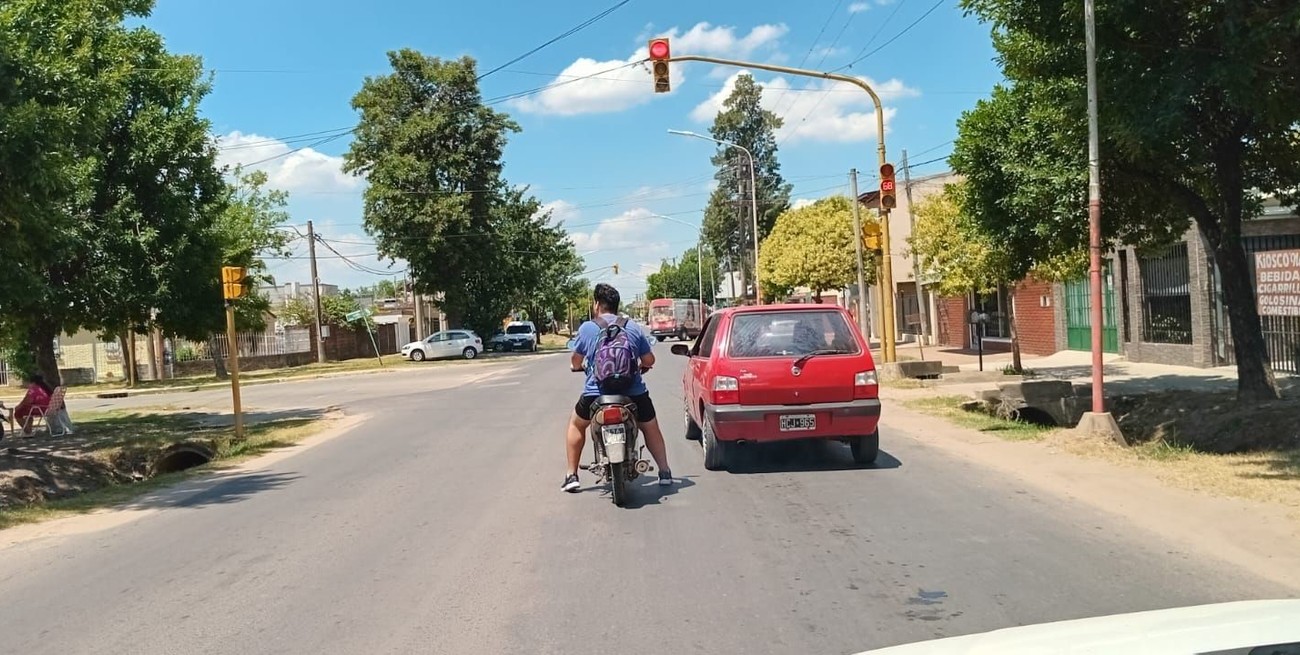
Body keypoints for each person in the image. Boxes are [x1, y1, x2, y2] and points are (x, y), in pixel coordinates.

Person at [564, 283, 672, 492]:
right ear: (616, 305)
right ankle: (665, 471)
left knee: (576, 425)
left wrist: (576, 367)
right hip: (632, 393)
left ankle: (571, 475)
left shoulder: (587, 328)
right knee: (650, 427)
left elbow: (576, 362)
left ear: (597, 304)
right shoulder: (632, 327)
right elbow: (649, 359)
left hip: (596, 395)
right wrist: (643, 366)